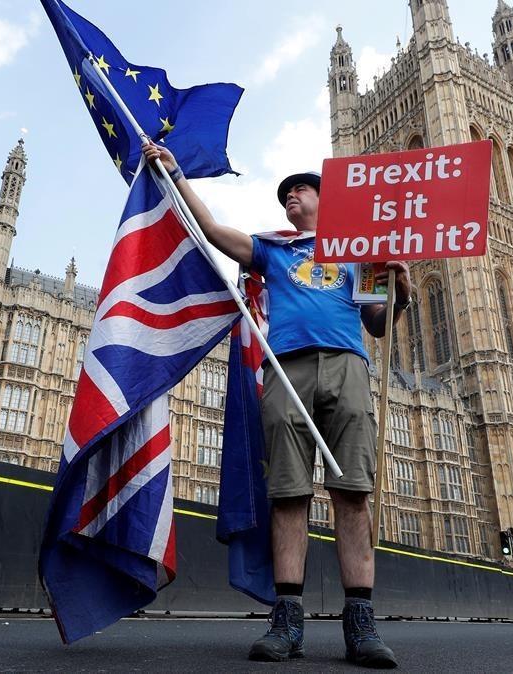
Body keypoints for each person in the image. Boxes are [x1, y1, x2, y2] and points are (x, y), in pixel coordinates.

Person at [143, 141, 410, 668]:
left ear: (324, 200)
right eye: (285, 193)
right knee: (288, 494)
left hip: (348, 364)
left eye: (300, 190)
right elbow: (218, 235)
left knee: (353, 493)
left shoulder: (363, 250)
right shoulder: (275, 249)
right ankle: (287, 619)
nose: (290, 197)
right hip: (286, 367)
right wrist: (177, 175)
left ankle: (361, 624)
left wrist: (400, 287)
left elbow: (379, 324)